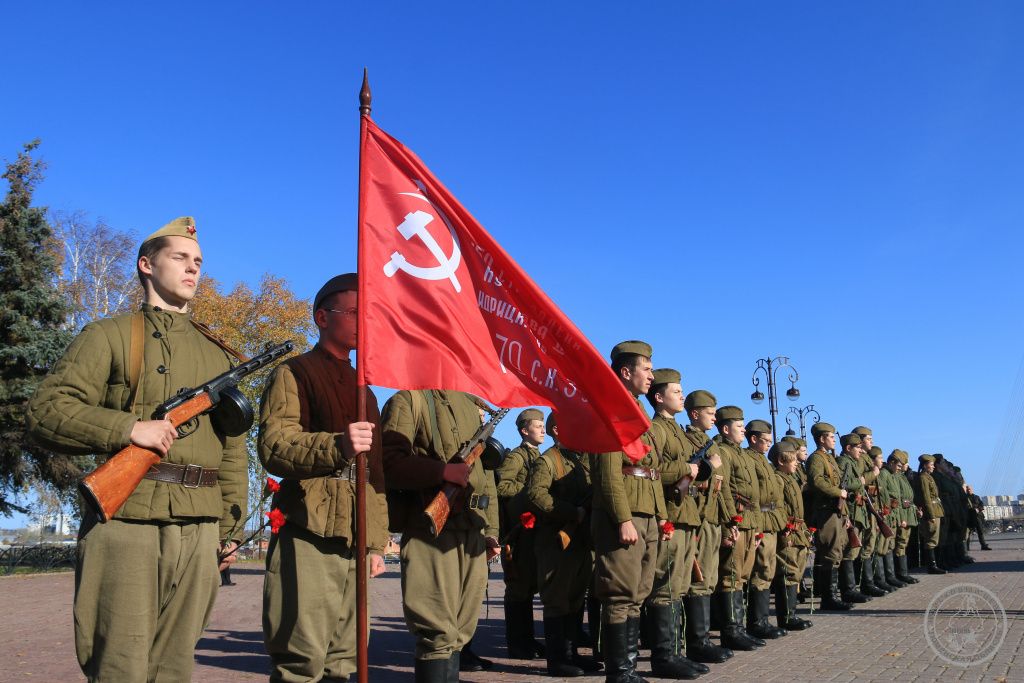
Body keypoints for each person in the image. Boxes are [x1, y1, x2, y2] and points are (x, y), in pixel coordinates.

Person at [27, 217, 248, 682]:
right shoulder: (109, 335)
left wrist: (230, 527)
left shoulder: (220, 355)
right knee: (118, 666)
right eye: (181, 258)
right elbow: (47, 410)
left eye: (199, 262)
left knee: (173, 668)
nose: (193, 269)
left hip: (200, 524)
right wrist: (129, 428)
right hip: (126, 519)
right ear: (147, 265)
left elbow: (232, 449)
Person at [258, 273, 389, 683]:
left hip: (356, 531)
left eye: (364, 313)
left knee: (345, 658)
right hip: (308, 529)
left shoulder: (365, 390)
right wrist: (337, 445)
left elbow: (377, 476)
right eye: (352, 312)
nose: (360, 321)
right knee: (302, 658)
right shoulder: (294, 372)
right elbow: (274, 446)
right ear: (322, 317)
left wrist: (375, 543)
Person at [380, 389, 501, 681]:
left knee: (461, 630)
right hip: (432, 530)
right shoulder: (409, 400)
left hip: (472, 529)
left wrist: (492, 532)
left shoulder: (472, 405)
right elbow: (389, 463)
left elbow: (485, 479)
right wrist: (442, 472)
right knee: (437, 631)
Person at [590, 340, 669, 683]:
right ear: (626, 371)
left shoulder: (635, 411)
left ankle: (629, 670)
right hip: (627, 515)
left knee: (638, 593)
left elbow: (651, 470)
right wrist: (622, 518)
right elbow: (609, 472)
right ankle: (619, 673)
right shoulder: (611, 411)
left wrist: (660, 514)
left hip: (647, 512)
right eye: (647, 369)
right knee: (620, 594)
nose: (651, 375)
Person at [642, 369, 714, 679]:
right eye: (676, 391)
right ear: (659, 397)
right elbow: (653, 470)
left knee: (680, 585)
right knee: (665, 586)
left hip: (685, 514)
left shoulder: (677, 431)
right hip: (670, 514)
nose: (682, 396)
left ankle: (676, 651)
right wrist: (686, 467)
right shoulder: (656, 429)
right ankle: (663, 657)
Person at [527, 412, 602, 677]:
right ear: (557, 430)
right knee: (558, 599)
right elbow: (536, 496)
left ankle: (572, 656)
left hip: (581, 542)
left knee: (575, 598)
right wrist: (572, 513)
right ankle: (557, 659)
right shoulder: (548, 460)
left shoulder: (581, 461)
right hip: (556, 542)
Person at [679, 390, 733, 665]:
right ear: (694, 413)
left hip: (712, 517)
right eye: (709, 412)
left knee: (709, 579)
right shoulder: (685, 439)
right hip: (696, 515)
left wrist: (728, 521)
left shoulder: (710, 444)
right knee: (696, 581)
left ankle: (703, 639)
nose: (714, 416)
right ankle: (696, 642)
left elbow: (720, 488)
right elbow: (687, 477)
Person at [712, 406, 764, 651]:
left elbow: (754, 496)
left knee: (741, 576)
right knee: (730, 576)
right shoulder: (723, 451)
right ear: (725, 429)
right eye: (738, 426)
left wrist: (757, 527)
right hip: (737, 522)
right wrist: (731, 523)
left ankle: (739, 628)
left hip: (749, 522)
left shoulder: (741, 454)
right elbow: (724, 491)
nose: (743, 430)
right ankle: (730, 631)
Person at [496, 408, 546, 659]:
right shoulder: (517, 457)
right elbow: (502, 486)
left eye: (544, 425)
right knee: (518, 588)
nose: (543, 429)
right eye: (538, 426)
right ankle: (517, 644)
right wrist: (529, 490)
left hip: (535, 530)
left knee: (529, 587)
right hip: (519, 532)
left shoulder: (540, 456)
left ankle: (528, 640)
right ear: (525, 430)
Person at [743, 420, 786, 640]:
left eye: (770, 441)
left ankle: (762, 621)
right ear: (753, 439)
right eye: (765, 440)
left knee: (768, 569)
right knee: (760, 569)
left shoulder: (762, 461)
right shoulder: (748, 458)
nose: (768, 445)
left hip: (771, 519)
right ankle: (757, 622)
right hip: (759, 518)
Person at [805, 422, 851, 611]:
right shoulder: (816, 458)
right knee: (829, 554)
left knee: (837, 552)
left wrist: (845, 513)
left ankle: (832, 596)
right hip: (826, 511)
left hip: (837, 511)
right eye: (831, 437)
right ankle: (828, 598)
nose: (834, 440)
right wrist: (837, 492)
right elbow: (817, 481)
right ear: (822, 438)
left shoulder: (830, 459)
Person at [769, 440, 812, 631]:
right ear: (781, 460)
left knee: (795, 573)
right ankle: (786, 617)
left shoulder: (790, 478)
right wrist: (785, 527)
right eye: (792, 459)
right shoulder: (778, 479)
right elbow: (778, 507)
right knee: (788, 573)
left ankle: (791, 614)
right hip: (787, 532)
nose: (796, 463)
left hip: (797, 531)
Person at [836, 433, 874, 603]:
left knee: (855, 549)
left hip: (858, 509)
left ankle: (853, 587)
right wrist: (862, 481)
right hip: (851, 509)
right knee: (849, 551)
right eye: (857, 447)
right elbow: (844, 483)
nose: (860, 450)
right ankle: (848, 589)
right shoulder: (844, 462)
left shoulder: (852, 462)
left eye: (860, 446)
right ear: (848, 448)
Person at [887, 450, 920, 584]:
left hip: (907, 512)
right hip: (902, 514)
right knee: (899, 543)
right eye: (903, 463)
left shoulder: (901, 476)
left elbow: (908, 497)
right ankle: (900, 573)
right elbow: (898, 499)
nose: (905, 465)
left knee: (903, 543)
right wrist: (901, 518)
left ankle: (903, 573)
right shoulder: (895, 476)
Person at [913, 455, 946, 574]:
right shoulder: (923, 478)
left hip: (937, 510)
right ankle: (932, 566)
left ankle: (936, 564)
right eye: (931, 464)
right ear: (925, 465)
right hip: (931, 512)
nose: (932, 467)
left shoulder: (928, 477)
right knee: (930, 540)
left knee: (935, 539)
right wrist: (931, 514)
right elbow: (926, 497)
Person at [965, 485, 991, 551]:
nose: (969, 490)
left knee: (980, 532)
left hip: (978, 517)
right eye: (967, 489)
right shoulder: (964, 498)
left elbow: (981, 505)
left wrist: (978, 509)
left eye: (970, 489)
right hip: (969, 517)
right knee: (968, 533)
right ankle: (967, 547)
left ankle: (983, 545)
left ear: (972, 490)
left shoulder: (976, 497)